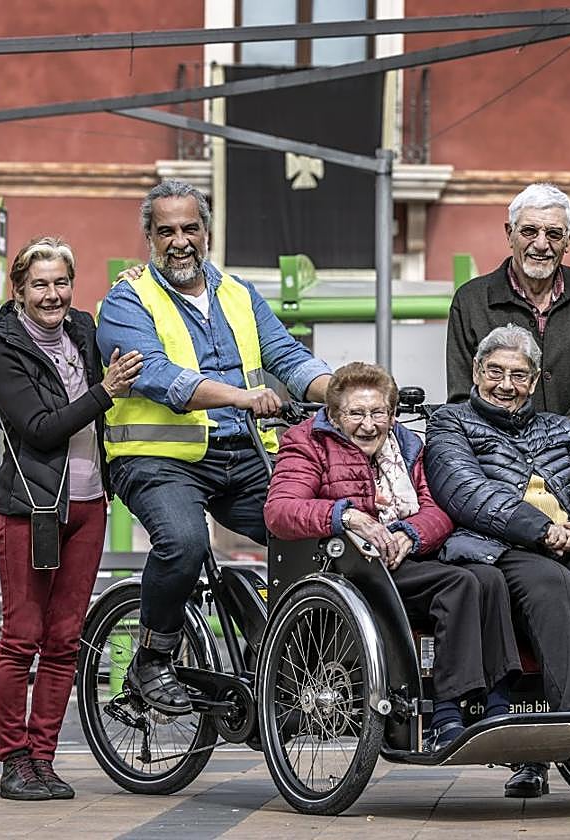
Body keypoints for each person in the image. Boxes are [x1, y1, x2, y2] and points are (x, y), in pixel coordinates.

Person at [95, 179, 332, 715]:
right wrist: (244, 396)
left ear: (207, 232)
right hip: (157, 460)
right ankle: (152, 657)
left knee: (310, 532)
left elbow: (289, 357)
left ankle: (278, 652)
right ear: (150, 239)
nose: (180, 241)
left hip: (243, 454)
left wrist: (343, 392)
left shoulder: (239, 294)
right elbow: (157, 375)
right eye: (166, 231)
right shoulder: (127, 300)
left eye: (190, 228)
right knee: (182, 542)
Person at [426, 324, 570, 798]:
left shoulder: (559, 427)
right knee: (551, 582)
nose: (506, 385)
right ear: (476, 372)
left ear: (533, 382)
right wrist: (540, 529)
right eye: (496, 372)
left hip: (569, 539)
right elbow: (465, 491)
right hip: (496, 545)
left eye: (519, 375)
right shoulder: (450, 423)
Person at [263, 362, 521, 750]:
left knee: (489, 576)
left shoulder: (409, 445)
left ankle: (499, 701)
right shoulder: (308, 442)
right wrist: (345, 515)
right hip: (349, 564)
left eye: (378, 413)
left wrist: (410, 534)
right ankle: (447, 712)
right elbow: (280, 511)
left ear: (392, 414)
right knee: (460, 582)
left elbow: (439, 508)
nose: (369, 425)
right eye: (355, 414)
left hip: (404, 556)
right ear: (334, 415)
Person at [0, 236, 143, 801]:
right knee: (22, 637)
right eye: (41, 284)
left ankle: (44, 760)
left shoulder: (83, 330)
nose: (53, 294)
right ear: (19, 290)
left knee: (65, 639)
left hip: (89, 504)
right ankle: (13, 759)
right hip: (31, 508)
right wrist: (103, 392)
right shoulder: (2, 347)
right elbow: (41, 428)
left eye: (61, 283)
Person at [445, 182, 570, 496]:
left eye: (553, 234)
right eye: (529, 231)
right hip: (501, 475)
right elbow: (462, 395)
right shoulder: (472, 300)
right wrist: (514, 450)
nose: (541, 244)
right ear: (509, 233)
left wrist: (560, 436)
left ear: (569, 240)